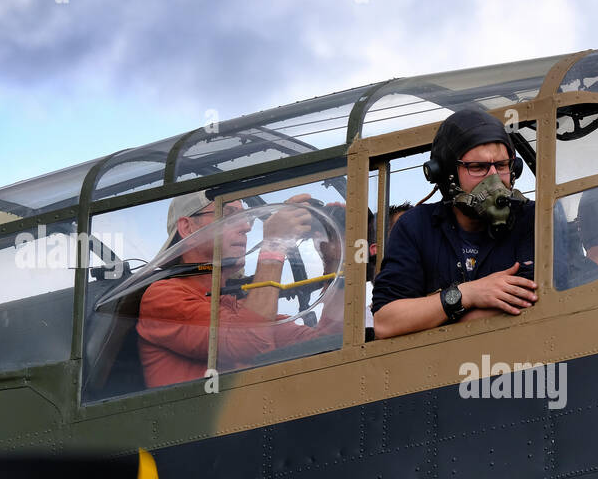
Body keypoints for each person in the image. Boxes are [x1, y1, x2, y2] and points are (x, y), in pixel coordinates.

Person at [136, 191, 343, 388]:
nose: (246, 227)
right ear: (188, 227)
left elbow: (324, 343)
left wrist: (335, 256)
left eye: (247, 218)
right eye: (229, 216)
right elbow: (251, 342)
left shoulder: (236, 302)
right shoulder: (163, 297)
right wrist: (274, 245)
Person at [371, 108, 537, 338]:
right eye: (478, 168)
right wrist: (468, 294)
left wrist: (430, 315)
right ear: (448, 174)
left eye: (501, 165)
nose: (494, 178)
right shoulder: (415, 226)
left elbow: (532, 302)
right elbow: (386, 322)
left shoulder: (534, 219)